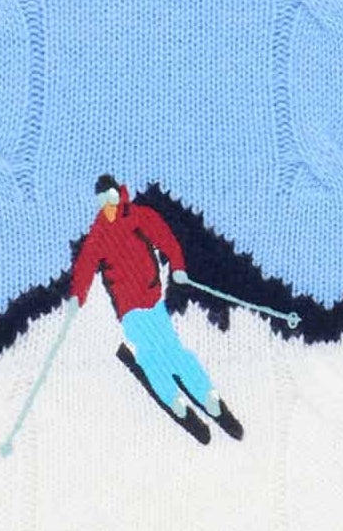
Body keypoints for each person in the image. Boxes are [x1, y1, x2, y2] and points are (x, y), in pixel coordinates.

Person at [68, 176, 241, 442]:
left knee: (169, 347)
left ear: (119, 194)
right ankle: (173, 399)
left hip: (151, 297)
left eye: (111, 197)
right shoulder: (99, 233)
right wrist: (77, 296)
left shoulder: (137, 216)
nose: (109, 205)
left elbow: (165, 238)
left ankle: (207, 395)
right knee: (149, 353)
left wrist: (178, 266)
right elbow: (85, 266)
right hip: (128, 308)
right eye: (103, 201)